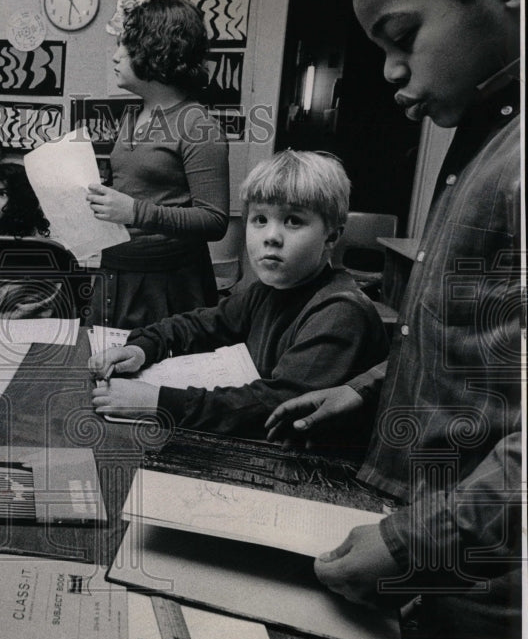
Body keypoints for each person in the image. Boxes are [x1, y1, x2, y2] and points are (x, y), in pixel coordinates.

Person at [265, 0, 521, 639]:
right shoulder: (486, 137)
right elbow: (476, 345)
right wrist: (366, 390)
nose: (389, 71)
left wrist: (415, 543)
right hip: (433, 551)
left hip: (485, 592)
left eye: (403, 36)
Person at [88, 150, 389, 440]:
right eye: (260, 219)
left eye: (293, 220)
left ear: (332, 236)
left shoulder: (340, 312)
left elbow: (277, 406)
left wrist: (159, 402)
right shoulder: (269, 290)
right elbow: (203, 323)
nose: (271, 236)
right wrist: (144, 346)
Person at [85, 0, 230, 329]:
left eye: (126, 45)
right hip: (116, 272)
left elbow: (214, 219)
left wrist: (135, 212)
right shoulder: (131, 115)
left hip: (168, 286)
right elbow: (134, 190)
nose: (115, 55)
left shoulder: (198, 125)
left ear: (157, 51)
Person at [0, 163, 62, 319]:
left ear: (21, 199)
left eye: (2, 194)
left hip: (25, 323)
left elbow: (10, 297)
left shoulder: (31, 245)